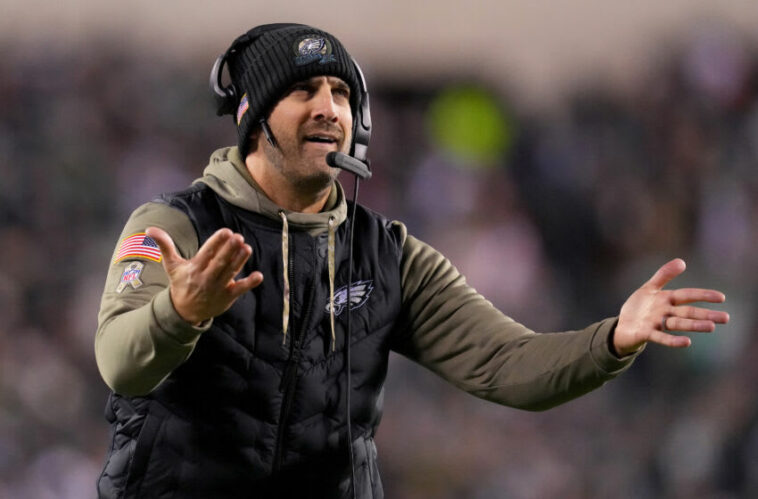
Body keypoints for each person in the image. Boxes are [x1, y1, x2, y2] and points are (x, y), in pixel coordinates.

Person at [94, 23, 730, 499]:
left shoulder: (387, 255)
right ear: (253, 116)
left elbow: (507, 365)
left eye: (341, 92)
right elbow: (119, 362)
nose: (329, 108)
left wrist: (612, 339)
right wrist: (180, 311)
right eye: (303, 90)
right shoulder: (176, 225)